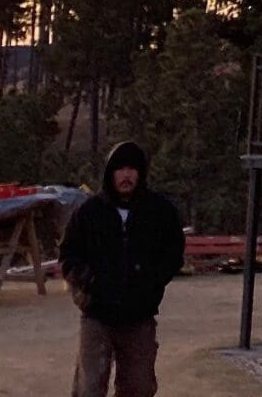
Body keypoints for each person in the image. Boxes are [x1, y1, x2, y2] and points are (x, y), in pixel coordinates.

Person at [58, 140, 185, 397]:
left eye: (132, 168)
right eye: (120, 169)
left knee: (138, 387)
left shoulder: (160, 212)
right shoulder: (88, 212)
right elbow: (68, 255)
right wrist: (89, 281)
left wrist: (152, 281)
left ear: (140, 172)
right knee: (89, 387)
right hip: (97, 314)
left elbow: (173, 253)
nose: (126, 175)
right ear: (110, 173)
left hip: (139, 316)